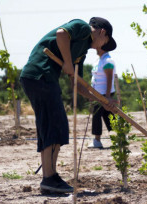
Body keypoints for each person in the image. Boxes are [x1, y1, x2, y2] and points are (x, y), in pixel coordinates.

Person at [20, 17, 118, 193]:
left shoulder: (82, 52)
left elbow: (77, 84)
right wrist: (66, 62)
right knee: (54, 123)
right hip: (40, 75)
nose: (102, 47)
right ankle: (49, 178)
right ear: (102, 32)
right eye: (106, 41)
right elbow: (61, 34)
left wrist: (102, 101)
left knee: (54, 124)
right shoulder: (82, 27)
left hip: (45, 79)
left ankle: (50, 178)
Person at [88, 47, 121, 149]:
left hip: (103, 94)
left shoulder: (107, 60)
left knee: (97, 115)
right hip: (97, 94)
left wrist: (107, 96)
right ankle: (118, 138)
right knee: (108, 115)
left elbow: (109, 78)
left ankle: (97, 140)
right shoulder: (99, 60)